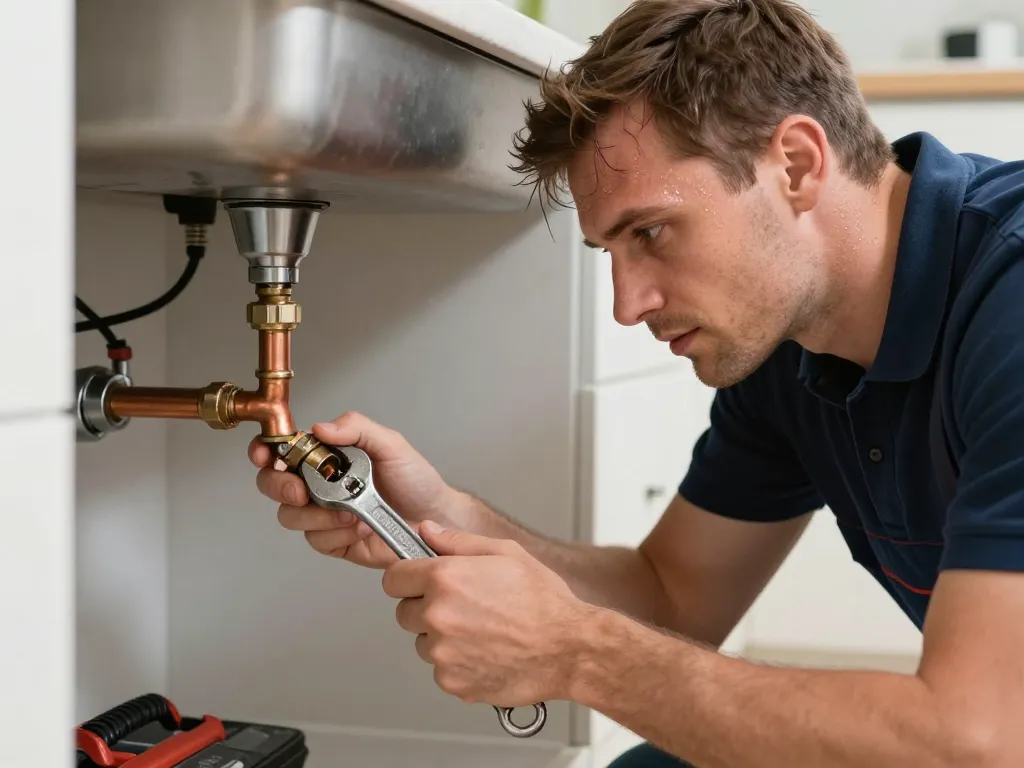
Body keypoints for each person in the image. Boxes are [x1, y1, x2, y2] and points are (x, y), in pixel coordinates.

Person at [250, 0, 1024, 765]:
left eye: (651, 233)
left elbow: (976, 740)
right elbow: (674, 600)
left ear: (795, 164)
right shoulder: (790, 347)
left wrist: (577, 652)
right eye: (610, 251)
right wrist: (447, 519)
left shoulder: (1009, 308)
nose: (629, 305)